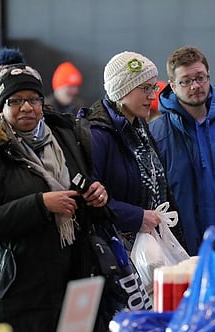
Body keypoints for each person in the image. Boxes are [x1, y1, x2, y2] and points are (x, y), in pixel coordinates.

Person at [0, 63, 108, 332]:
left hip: (66, 284)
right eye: (16, 101)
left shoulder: (63, 137)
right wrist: (40, 204)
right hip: (11, 291)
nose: (26, 107)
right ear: (2, 106)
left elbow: (78, 186)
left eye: (33, 99)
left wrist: (96, 195)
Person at [149, 46, 215, 255]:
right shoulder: (157, 133)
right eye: (186, 81)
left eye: (200, 77)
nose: (195, 86)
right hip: (182, 249)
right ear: (172, 85)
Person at [80, 50, 186, 249]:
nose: (152, 95)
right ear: (122, 90)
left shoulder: (140, 127)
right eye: (145, 88)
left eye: (153, 87)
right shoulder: (98, 134)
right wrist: (137, 217)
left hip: (151, 243)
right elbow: (89, 200)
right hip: (118, 250)